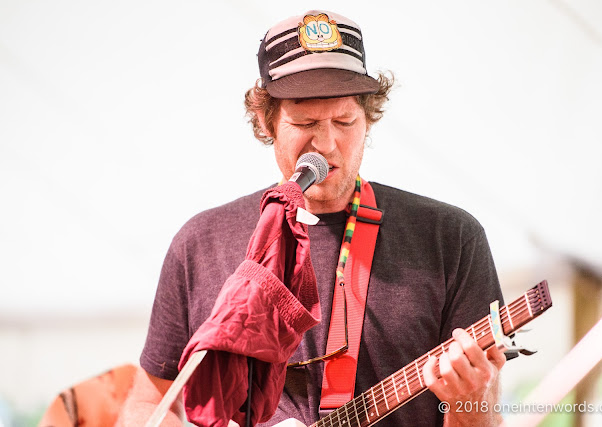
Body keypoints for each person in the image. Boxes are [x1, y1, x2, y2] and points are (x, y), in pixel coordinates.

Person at [120, 9, 507, 427]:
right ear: (266, 122)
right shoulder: (200, 243)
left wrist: (475, 403)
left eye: (344, 121)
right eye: (304, 122)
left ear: (369, 119)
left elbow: (480, 415)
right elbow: (146, 405)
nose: (325, 144)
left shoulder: (450, 238)